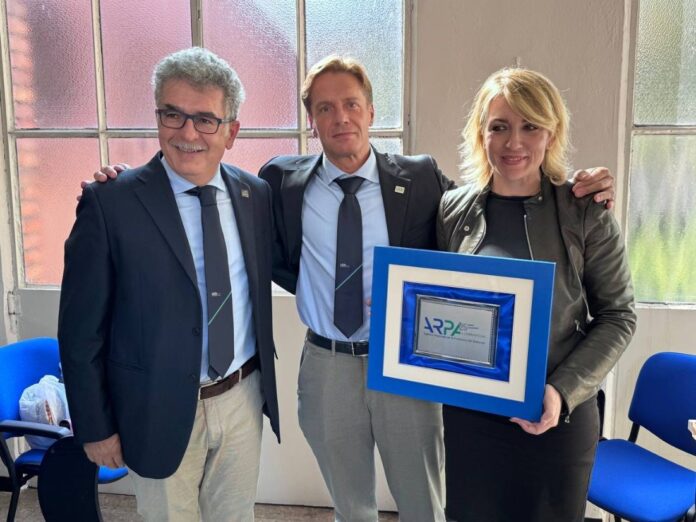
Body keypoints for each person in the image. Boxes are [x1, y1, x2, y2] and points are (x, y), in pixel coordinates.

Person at [90, 55, 616, 522]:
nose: (340, 117)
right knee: (351, 504)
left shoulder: (422, 179)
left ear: (370, 111)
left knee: (424, 502)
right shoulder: (279, 182)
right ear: (311, 120)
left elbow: (499, 205)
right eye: (324, 108)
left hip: (406, 368)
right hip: (327, 366)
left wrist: (580, 184)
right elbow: (227, 209)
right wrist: (130, 182)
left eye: (351, 104)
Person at [58, 47, 279, 522]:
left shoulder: (254, 194)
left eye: (206, 119)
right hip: (153, 408)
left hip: (241, 395)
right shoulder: (110, 203)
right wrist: (95, 426)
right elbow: (79, 332)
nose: (187, 133)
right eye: (172, 114)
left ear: (231, 132)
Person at [436, 68, 637, 521]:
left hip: (557, 418)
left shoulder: (586, 211)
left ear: (552, 132)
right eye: (499, 126)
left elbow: (619, 316)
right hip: (471, 419)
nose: (514, 142)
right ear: (481, 134)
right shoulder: (453, 210)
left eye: (530, 126)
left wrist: (561, 392)